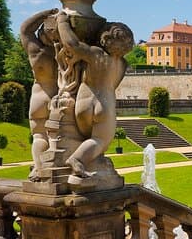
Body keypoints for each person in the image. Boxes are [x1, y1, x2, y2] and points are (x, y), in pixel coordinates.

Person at [55, 11, 134, 182]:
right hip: (104, 104)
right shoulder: (122, 64)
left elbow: (72, 44)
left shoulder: (96, 54)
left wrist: (62, 21)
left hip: (83, 103)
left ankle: (86, 157)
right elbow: (113, 86)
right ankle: (77, 159)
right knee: (100, 140)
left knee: (86, 137)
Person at [20, 8, 59, 180]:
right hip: (55, 96)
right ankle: (52, 169)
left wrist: (45, 14)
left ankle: (38, 168)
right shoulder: (62, 53)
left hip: (38, 96)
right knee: (54, 137)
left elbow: (25, 29)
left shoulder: (35, 51)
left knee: (38, 136)